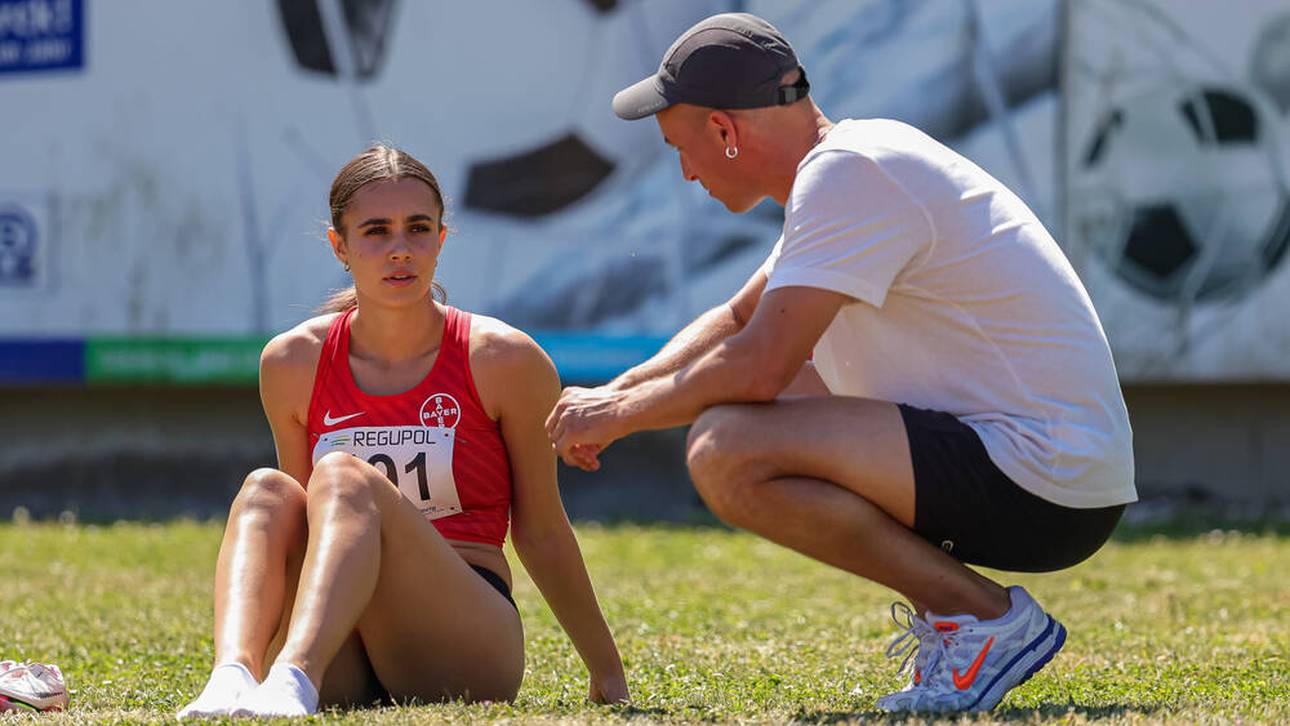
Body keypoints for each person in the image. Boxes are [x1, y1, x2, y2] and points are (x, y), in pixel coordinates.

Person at [546, 12, 1135, 714]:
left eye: (682, 148)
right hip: (1041, 468)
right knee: (750, 402)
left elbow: (757, 364)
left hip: (1045, 481)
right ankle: (970, 619)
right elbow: (736, 321)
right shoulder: (848, 168)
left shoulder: (851, 174)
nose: (686, 172)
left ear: (726, 132)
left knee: (725, 449)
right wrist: (610, 394)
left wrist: (615, 414)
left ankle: (981, 618)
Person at [179, 145, 628, 718]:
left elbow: (540, 529)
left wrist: (606, 671)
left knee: (342, 477)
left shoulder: (503, 358)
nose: (399, 249)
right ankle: (232, 677)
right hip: (342, 639)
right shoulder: (292, 361)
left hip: (463, 642)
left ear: (441, 240)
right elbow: (298, 523)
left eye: (418, 228)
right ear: (339, 247)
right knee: (267, 489)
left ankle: (294, 679)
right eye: (375, 231)